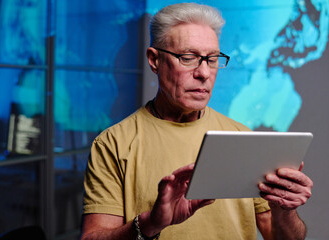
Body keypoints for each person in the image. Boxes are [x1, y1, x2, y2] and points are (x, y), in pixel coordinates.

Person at [80, 3, 313, 240]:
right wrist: (151, 222)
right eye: (189, 58)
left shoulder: (241, 136)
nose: (204, 73)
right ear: (154, 60)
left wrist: (285, 211)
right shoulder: (113, 143)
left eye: (212, 59)